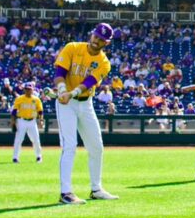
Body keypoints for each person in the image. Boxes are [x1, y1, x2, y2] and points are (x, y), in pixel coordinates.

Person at [52, 24, 119, 205]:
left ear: (107, 42)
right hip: (66, 104)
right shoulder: (73, 47)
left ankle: (96, 189)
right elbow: (59, 72)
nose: (97, 41)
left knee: (96, 146)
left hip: (85, 102)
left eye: (102, 39)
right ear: (92, 34)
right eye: (96, 36)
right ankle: (65, 192)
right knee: (70, 145)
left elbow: (90, 81)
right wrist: (62, 89)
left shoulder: (104, 63)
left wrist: (72, 93)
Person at [11, 81, 43, 164]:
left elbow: (40, 112)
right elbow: (14, 111)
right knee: (18, 140)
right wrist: (13, 122)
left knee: (36, 139)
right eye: (27, 89)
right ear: (24, 90)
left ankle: (39, 156)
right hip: (21, 121)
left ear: (32, 90)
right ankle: (15, 157)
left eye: (30, 89)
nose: (28, 90)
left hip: (32, 121)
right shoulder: (19, 99)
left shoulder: (36, 99)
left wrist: (41, 121)